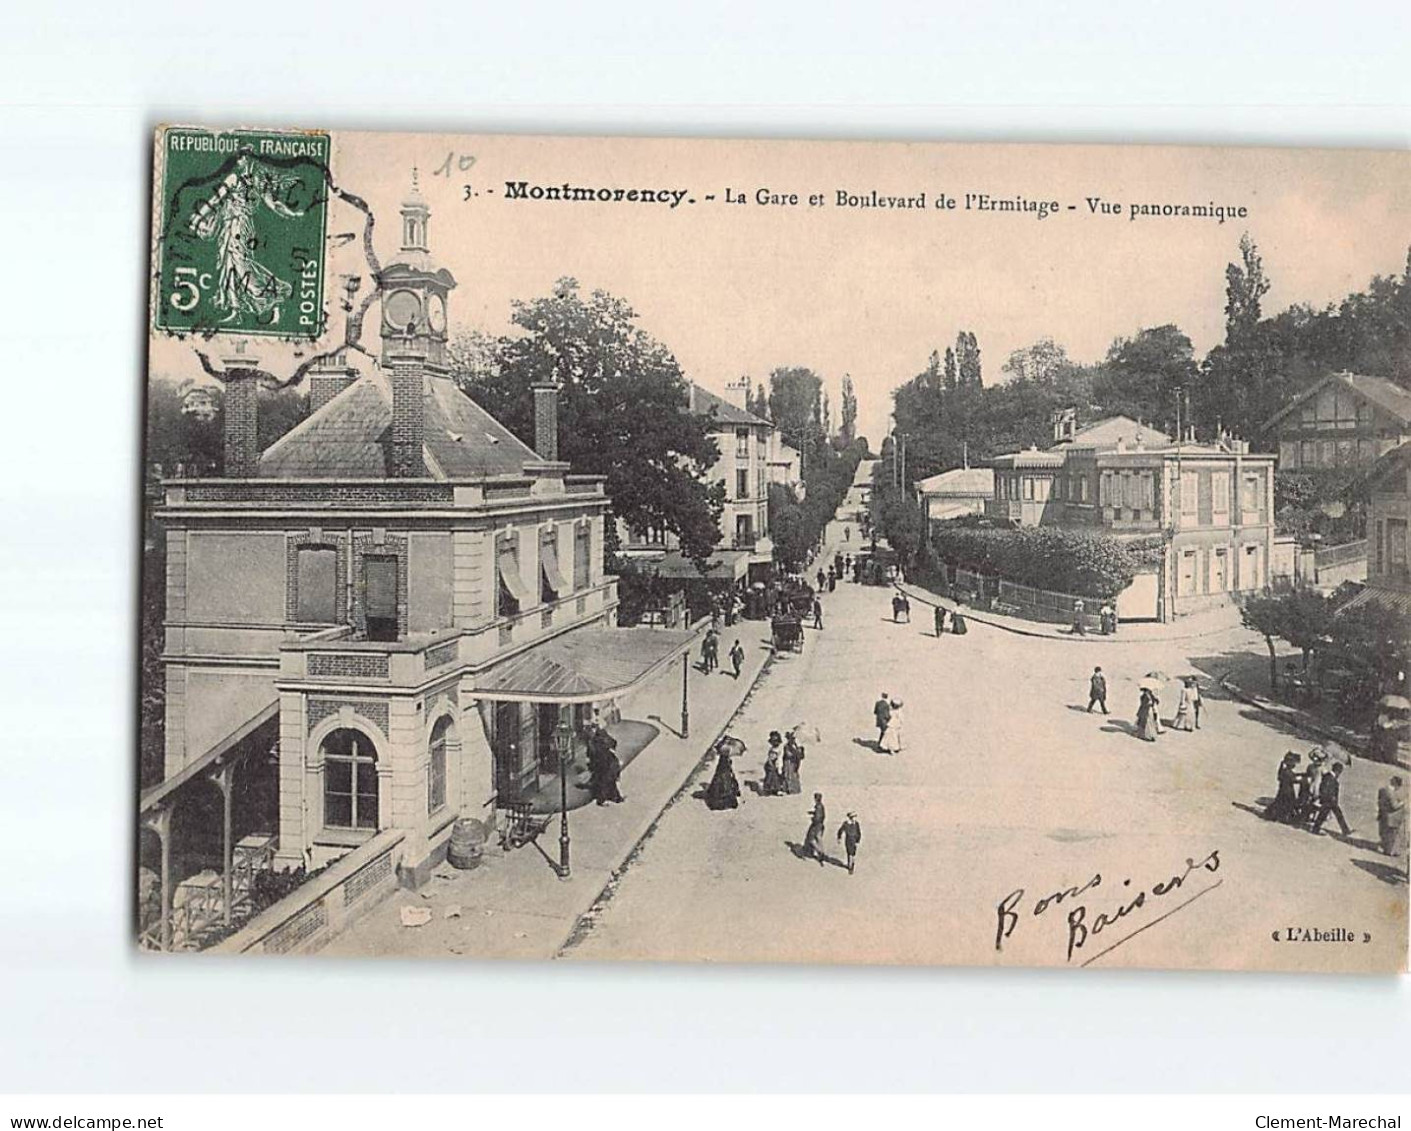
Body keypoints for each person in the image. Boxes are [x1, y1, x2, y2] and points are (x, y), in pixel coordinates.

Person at [1311, 762, 1351, 836]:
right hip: (1329, 801)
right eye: (1340, 771)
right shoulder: (1329, 777)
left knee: (1337, 814)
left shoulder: (1330, 776)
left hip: (1331, 801)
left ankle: (1345, 830)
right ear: (1337, 770)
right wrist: (1329, 797)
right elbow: (1325, 789)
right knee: (1323, 815)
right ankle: (1315, 829)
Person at [588, 723, 623, 805]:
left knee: (606, 780)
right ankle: (603, 799)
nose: (592, 731)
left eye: (593, 729)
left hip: (604, 761)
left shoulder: (599, 736)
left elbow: (612, 742)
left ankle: (614, 797)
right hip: (602, 762)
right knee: (606, 780)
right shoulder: (593, 740)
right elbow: (591, 752)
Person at [1264, 752, 1302, 823]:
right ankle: (1284, 817)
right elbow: (1293, 779)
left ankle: (1273, 814)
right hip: (1288, 790)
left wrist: (1301, 774)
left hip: (1282, 789)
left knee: (1279, 802)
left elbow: (1292, 776)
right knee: (1288, 803)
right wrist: (1302, 780)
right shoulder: (1288, 772)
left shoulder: (1284, 770)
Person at [703, 742, 741, 810]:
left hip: (723, 775)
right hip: (724, 775)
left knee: (722, 782)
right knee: (725, 783)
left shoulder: (723, 760)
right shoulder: (725, 760)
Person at [1376, 775, 1407, 857]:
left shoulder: (1382, 790)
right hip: (1391, 817)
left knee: (1385, 833)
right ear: (1396, 784)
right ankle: (1390, 851)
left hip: (1383, 814)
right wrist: (1402, 803)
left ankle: (1387, 848)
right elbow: (1394, 806)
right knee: (1392, 835)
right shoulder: (1391, 793)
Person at [803, 793, 827, 865]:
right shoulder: (821, 806)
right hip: (821, 825)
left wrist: (813, 818)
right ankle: (821, 852)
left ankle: (819, 851)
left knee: (811, 839)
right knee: (819, 839)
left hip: (816, 825)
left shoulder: (818, 806)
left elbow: (817, 818)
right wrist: (813, 813)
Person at [782, 728, 806, 794]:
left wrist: (799, 753)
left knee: (794, 775)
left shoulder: (795, 746)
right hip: (788, 763)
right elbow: (788, 754)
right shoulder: (786, 746)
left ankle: (795, 789)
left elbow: (799, 754)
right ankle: (789, 789)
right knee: (788, 775)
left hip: (794, 762)